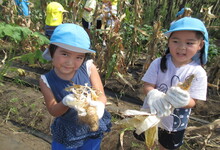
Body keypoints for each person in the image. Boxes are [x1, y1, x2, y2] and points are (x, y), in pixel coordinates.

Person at [140, 17, 209, 150]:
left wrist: (183, 101)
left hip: (174, 123)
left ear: (200, 45)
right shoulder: (158, 63)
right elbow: (147, 86)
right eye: (176, 41)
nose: (182, 47)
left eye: (189, 43)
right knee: (148, 143)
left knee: (166, 147)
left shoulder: (198, 72)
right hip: (150, 115)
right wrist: (153, 94)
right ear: (168, 42)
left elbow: (193, 101)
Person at [40, 23, 111, 150]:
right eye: (65, 54)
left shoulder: (88, 67)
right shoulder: (46, 80)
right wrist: (66, 102)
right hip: (68, 132)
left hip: (91, 127)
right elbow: (53, 110)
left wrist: (99, 106)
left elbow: (101, 96)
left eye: (79, 57)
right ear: (52, 51)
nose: (70, 62)